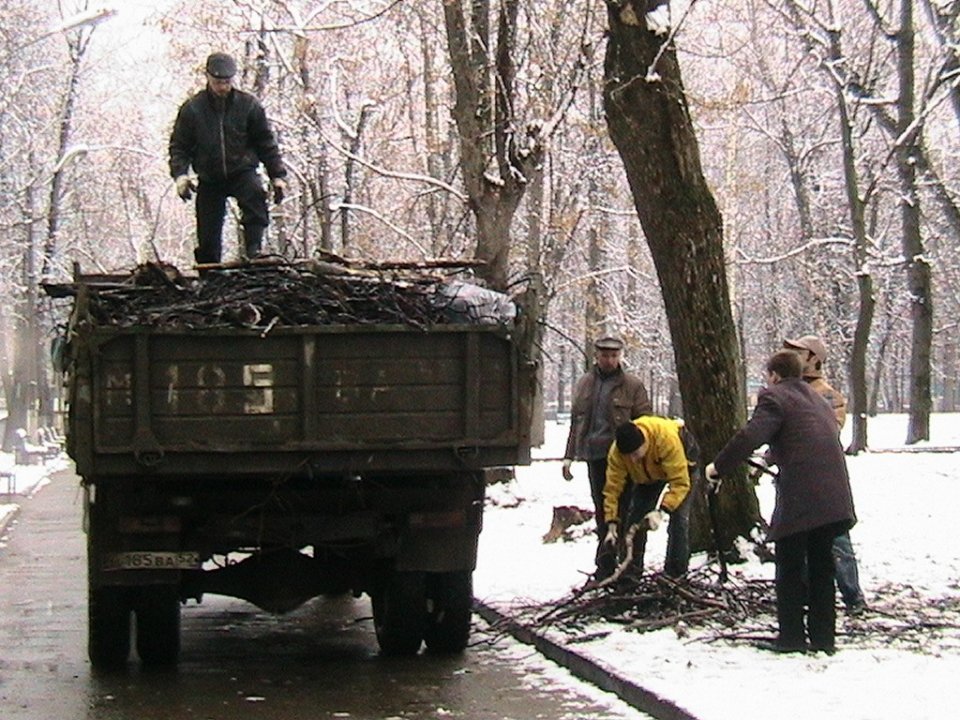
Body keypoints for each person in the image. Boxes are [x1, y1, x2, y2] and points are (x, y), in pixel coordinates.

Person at [706, 350, 857, 654]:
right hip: (836, 496)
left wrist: (718, 467)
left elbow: (751, 435)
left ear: (774, 375)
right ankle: (823, 639)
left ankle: (791, 638)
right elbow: (800, 436)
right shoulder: (817, 399)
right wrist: (766, 462)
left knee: (788, 565)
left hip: (803, 496)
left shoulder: (774, 397)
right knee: (821, 567)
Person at [169, 52, 287, 265]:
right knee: (207, 227)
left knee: (255, 199)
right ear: (208, 78)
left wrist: (277, 175)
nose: (222, 87)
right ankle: (209, 269)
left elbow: (265, 142)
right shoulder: (193, 109)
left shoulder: (248, 105)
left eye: (226, 82)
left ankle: (254, 252)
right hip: (209, 176)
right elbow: (179, 146)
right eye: (217, 82)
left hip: (242, 170)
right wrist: (180, 175)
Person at [783, 335, 867, 616]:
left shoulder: (828, 395)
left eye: (798, 352)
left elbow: (826, 433)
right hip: (793, 478)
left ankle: (852, 595)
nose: (791, 355)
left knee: (836, 539)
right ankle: (806, 593)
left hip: (821, 481)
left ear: (812, 359)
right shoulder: (786, 391)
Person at [562, 336, 652, 577]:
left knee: (626, 510)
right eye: (605, 356)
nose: (610, 360)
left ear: (620, 356)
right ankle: (605, 565)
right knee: (603, 511)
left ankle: (629, 565)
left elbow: (645, 422)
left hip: (625, 459)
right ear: (597, 356)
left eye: (614, 356)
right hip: (595, 456)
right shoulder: (585, 384)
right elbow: (577, 422)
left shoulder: (632, 385)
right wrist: (569, 455)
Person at [602, 416, 697, 578]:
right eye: (628, 456)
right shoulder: (617, 453)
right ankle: (629, 573)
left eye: (636, 453)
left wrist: (662, 511)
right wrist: (611, 523)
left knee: (679, 521)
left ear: (645, 442)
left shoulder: (665, 439)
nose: (632, 459)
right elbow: (612, 489)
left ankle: (676, 574)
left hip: (683, 468)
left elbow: (680, 484)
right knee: (635, 520)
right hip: (646, 479)